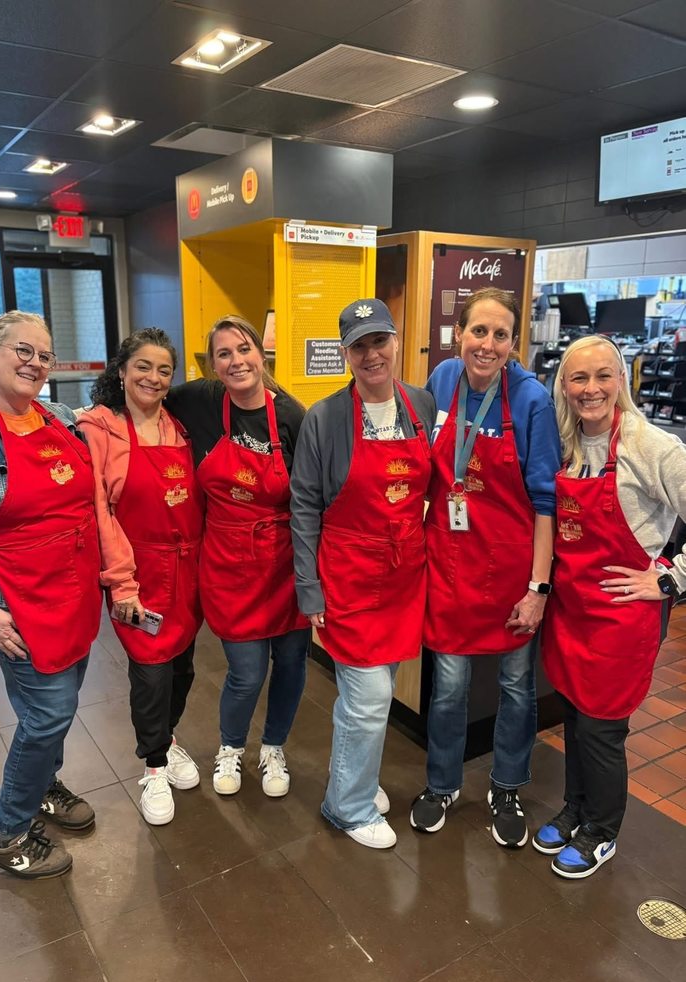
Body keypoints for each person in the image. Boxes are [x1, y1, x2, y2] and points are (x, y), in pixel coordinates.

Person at [0, 311, 101, 879]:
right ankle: (6, 832)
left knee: (58, 708)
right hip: (19, 599)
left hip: (73, 591)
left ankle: (42, 786)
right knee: (47, 714)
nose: (35, 364)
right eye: (23, 352)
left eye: (45, 356)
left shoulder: (54, 416)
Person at [410, 287, 561, 849]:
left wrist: (537, 589)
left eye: (501, 335)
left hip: (509, 572)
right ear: (458, 335)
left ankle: (507, 786)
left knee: (517, 688)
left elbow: (545, 502)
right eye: (479, 331)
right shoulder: (442, 381)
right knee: (448, 688)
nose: (488, 344)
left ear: (514, 343)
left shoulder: (531, 400)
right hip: (448, 566)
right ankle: (442, 783)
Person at [536, 334, 686, 878]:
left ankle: (602, 831)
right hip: (574, 610)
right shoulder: (569, 441)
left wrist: (669, 579)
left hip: (622, 617)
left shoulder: (652, 447)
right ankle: (576, 808)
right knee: (575, 717)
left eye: (603, 375)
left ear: (622, 380)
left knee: (602, 730)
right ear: (565, 386)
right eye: (579, 378)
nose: (591, 388)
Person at [291, 298, 435, 849]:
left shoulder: (419, 402)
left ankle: (355, 780)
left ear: (396, 341)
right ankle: (347, 806)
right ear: (345, 354)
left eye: (380, 341)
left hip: (402, 574)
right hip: (348, 574)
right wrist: (310, 587)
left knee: (367, 695)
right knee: (370, 696)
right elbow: (303, 506)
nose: (372, 354)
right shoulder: (326, 418)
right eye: (359, 346)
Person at [166, 316, 309, 798]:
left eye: (243, 349)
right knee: (246, 673)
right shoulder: (198, 401)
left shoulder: (291, 414)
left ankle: (273, 747)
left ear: (260, 355)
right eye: (223, 353)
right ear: (213, 364)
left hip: (285, 562)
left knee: (290, 663)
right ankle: (231, 747)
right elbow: (143, 395)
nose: (235, 361)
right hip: (227, 562)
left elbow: (312, 494)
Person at [78, 329, 203, 826]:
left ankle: (168, 739)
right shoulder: (100, 429)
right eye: (143, 367)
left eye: (164, 370)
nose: (153, 377)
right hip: (139, 572)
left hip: (187, 570)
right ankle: (153, 766)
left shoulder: (181, 428)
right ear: (123, 371)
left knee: (183, 669)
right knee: (150, 675)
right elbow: (100, 513)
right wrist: (122, 584)